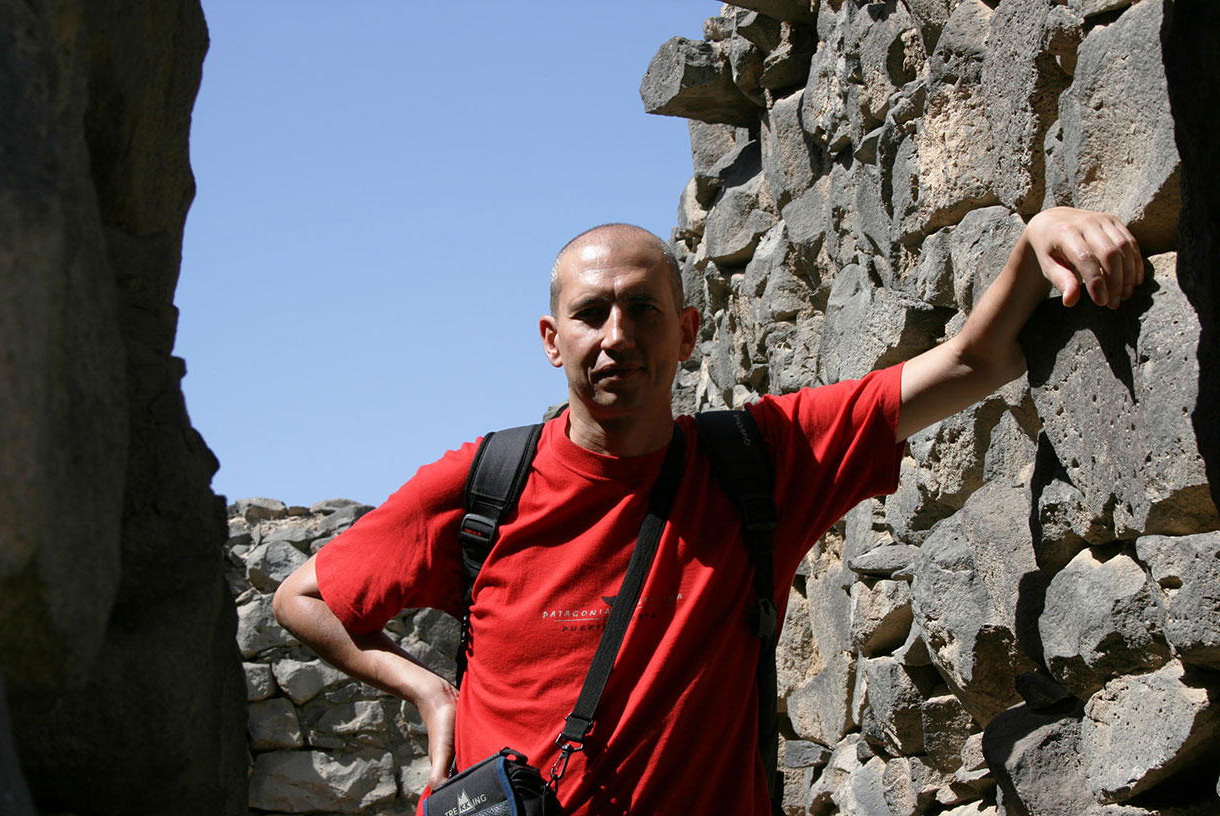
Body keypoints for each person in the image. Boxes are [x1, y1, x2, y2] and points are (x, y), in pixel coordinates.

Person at [273, 208, 1142, 814]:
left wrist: (1038, 239)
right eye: (590, 314)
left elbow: (971, 363)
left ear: (687, 333)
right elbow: (303, 596)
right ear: (552, 339)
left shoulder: (761, 460)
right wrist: (428, 691)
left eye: (642, 311)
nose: (616, 336)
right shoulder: (486, 483)